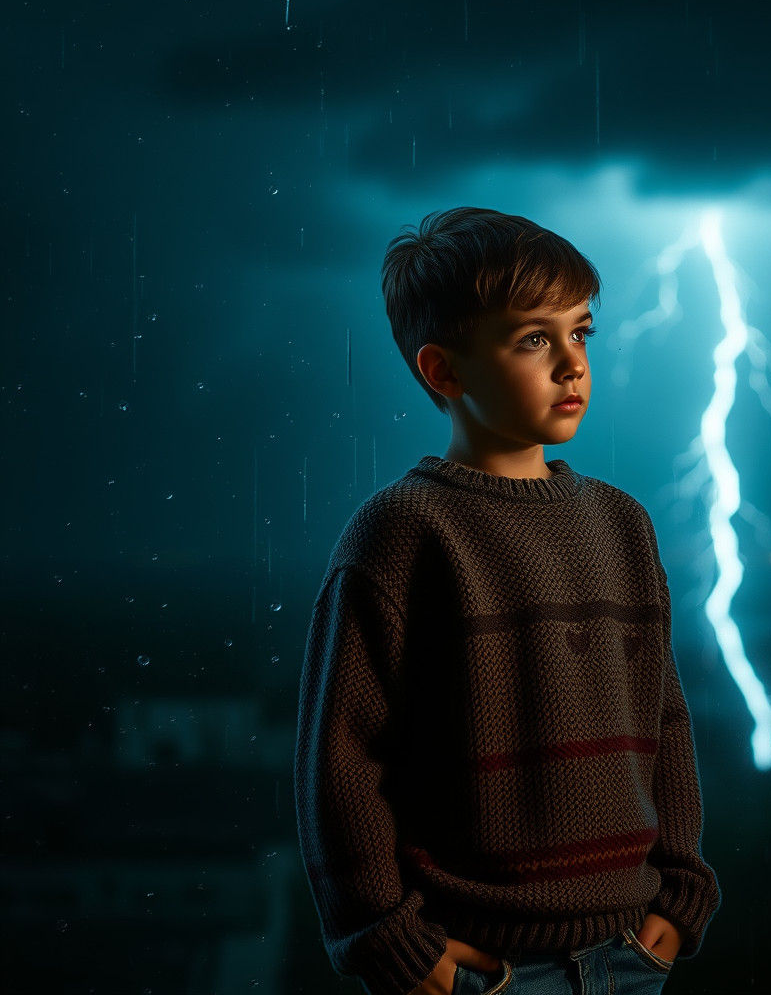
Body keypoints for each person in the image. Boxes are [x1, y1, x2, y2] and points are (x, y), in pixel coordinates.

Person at [294, 207, 721, 995]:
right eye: (533, 339)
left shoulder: (623, 525)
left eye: (581, 332)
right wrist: (385, 934)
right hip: (481, 969)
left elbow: (664, 719)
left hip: (632, 954)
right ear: (443, 370)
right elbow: (342, 762)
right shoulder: (403, 533)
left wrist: (681, 883)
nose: (571, 364)